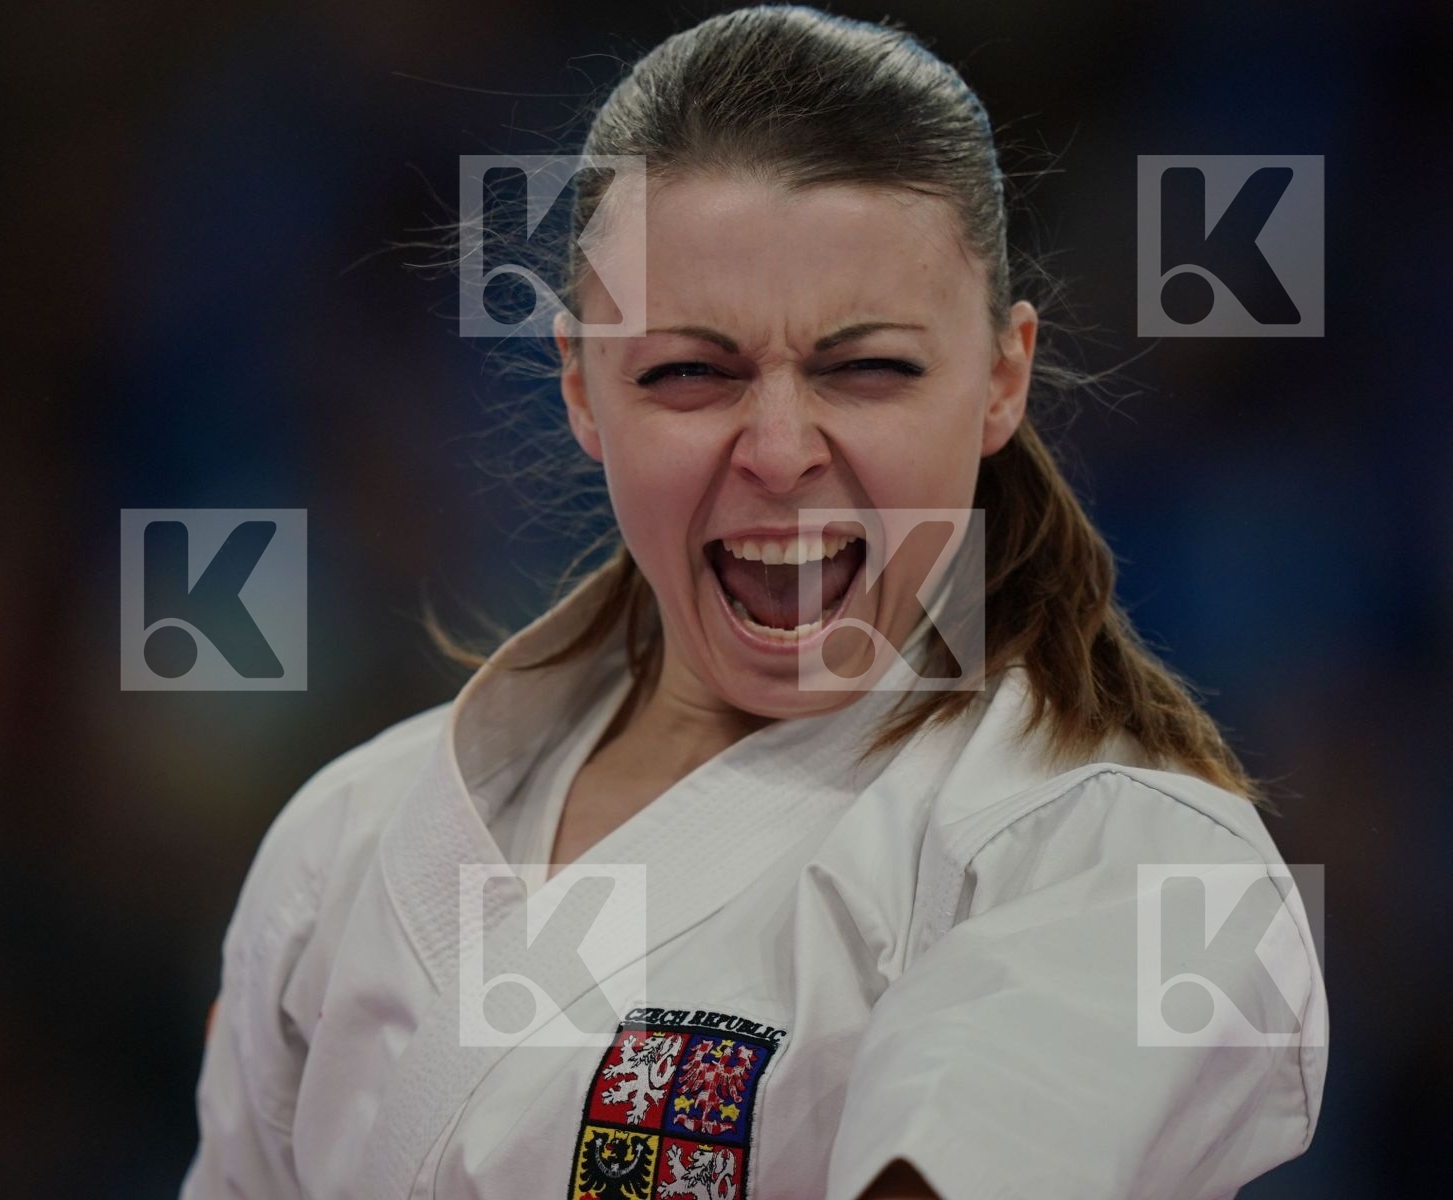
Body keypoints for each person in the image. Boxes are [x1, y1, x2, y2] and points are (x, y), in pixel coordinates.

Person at [178, 7, 1327, 1198]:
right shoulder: (348, 838)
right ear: (581, 387)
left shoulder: (1117, 859)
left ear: (1000, 379)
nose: (779, 450)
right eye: (689, 372)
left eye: (869, 367)